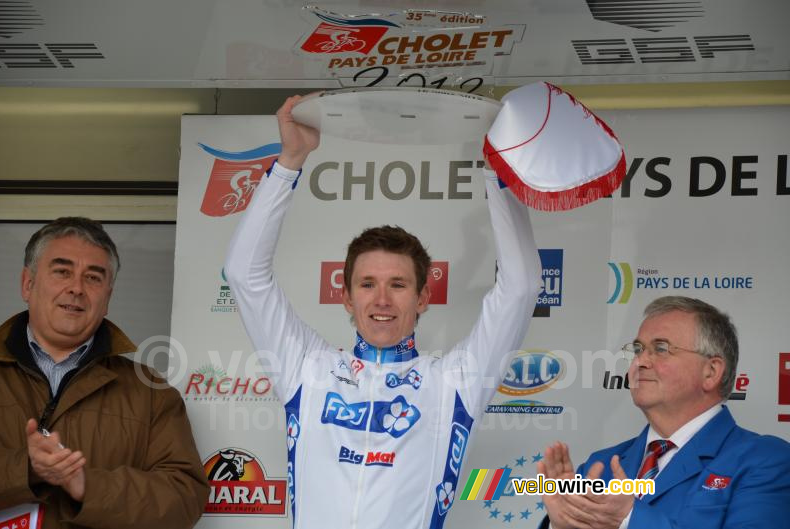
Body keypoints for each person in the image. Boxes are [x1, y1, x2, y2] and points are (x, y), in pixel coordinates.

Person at [224, 96, 542, 528]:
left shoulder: (453, 383)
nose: (382, 301)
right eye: (367, 284)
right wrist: (290, 160)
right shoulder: (306, 369)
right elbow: (244, 274)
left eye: (398, 285)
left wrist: (495, 172)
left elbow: (520, 289)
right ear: (347, 298)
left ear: (423, 298)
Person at [0, 217, 209, 529]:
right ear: (28, 283)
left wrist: (86, 485)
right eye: (62, 271)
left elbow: (184, 498)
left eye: (93, 278)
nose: (77, 288)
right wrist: (25, 469)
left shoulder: (149, 391)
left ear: (107, 298)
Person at [537, 296, 790, 529]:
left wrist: (629, 518)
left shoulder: (767, 461)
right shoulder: (599, 465)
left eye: (661, 349)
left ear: (711, 372)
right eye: (638, 350)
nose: (641, 361)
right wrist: (561, 527)